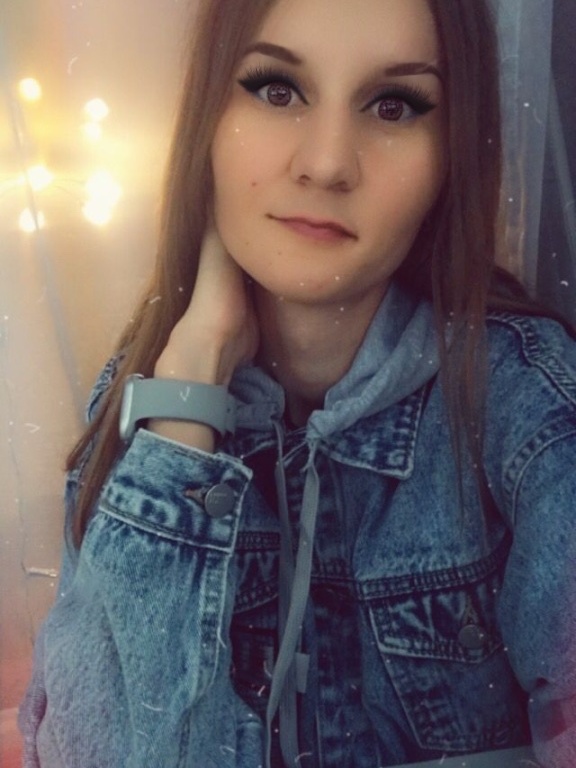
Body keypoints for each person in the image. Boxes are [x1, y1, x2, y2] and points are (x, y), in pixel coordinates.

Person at [19, 0, 576, 766]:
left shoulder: (528, 405)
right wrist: (189, 395)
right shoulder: (148, 394)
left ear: (450, 154)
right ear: (209, 121)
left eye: (394, 105)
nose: (327, 162)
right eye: (277, 90)